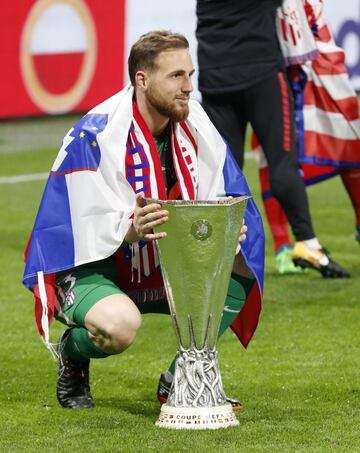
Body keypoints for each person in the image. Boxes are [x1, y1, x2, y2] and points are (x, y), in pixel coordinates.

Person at [23, 31, 265, 410]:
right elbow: (69, 225)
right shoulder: (97, 132)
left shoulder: (195, 119)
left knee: (243, 263)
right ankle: (74, 352)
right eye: (176, 76)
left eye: (191, 74)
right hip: (96, 265)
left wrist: (225, 229)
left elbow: (225, 192)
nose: (188, 87)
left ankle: (181, 377)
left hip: (165, 255)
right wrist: (130, 227)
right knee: (120, 328)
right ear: (142, 80)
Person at [195, 0, 349, 277]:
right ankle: (308, 243)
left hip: (215, 75)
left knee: (223, 168)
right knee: (282, 161)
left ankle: (216, 247)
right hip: (262, 74)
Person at [253, 0, 360, 274]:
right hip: (276, 63)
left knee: (349, 140)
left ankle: (287, 247)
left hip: (316, 57)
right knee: (273, 150)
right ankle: (284, 247)